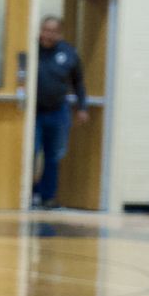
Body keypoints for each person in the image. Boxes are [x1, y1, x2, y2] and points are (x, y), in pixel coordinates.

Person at [33, 14, 88, 208]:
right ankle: (30, 194)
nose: (48, 34)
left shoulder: (69, 53)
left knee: (53, 155)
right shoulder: (32, 49)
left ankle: (48, 197)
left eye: (53, 31)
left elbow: (78, 82)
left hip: (58, 111)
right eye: (45, 30)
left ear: (60, 34)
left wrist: (82, 107)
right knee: (31, 152)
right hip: (33, 112)